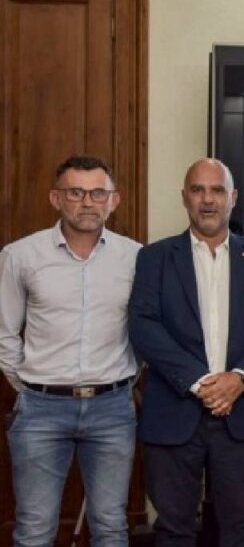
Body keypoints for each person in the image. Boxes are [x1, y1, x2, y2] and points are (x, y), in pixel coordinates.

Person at [129, 158, 244, 546]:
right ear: (184, 197)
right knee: (173, 529)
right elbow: (143, 326)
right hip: (174, 413)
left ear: (233, 197)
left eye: (217, 190)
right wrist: (200, 382)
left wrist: (239, 379)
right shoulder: (154, 257)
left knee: (241, 528)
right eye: (198, 190)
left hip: (240, 414)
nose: (208, 199)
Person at [0, 156, 140, 547]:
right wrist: (29, 388)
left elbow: (145, 331)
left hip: (113, 409)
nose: (88, 202)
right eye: (76, 193)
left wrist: (127, 380)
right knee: (34, 528)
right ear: (56, 198)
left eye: (98, 193)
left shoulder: (135, 257)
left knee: (111, 526)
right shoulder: (20, 256)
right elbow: (4, 333)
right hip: (40, 410)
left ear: (114, 200)